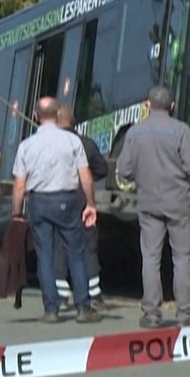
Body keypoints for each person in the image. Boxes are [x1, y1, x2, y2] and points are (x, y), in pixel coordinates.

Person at [116, 85, 190, 328]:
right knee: (182, 257)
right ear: (172, 106)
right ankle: (185, 312)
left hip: (148, 202)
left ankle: (152, 313)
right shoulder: (181, 130)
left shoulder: (134, 133)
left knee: (151, 257)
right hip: (178, 202)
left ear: (147, 105)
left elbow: (123, 170)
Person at [11, 96, 101, 324]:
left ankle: (51, 309)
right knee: (75, 253)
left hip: (39, 201)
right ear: (58, 113)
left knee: (45, 255)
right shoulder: (73, 142)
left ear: (35, 116)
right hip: (68, 200)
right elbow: (86, 176)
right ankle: (83, 307)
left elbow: (19, 185)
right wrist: (90, 204)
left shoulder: (26, 145)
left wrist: (17, 212)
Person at [53, 103, 110, 312]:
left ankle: (61, 294)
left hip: (57, 201)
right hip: (83, 200)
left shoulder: (49, 146)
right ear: (74, 123)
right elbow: (102, 169)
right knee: (88, 245)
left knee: (59, 245)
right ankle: (94, 293)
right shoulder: (86, 144)